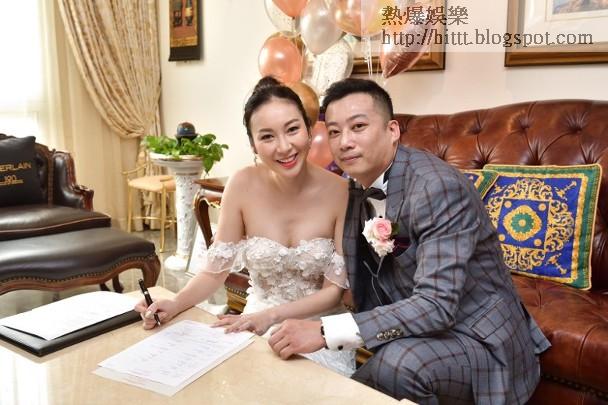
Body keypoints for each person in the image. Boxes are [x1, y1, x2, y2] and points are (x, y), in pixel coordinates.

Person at [267, 78, 551, 404]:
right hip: (422, 330)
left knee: (396, 366)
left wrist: (324, 330)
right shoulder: (356, 183)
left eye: (358, 126)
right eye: (334, 131)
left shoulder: (437, 188)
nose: (344, 142)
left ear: (392, 131)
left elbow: (436, 305)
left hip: (476, 335)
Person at [135, 76, 355, 376]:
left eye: (292, 129)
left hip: (317, 333)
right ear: (253, 144)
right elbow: (214, 273)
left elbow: (333, 293)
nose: (284, 147)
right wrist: (174, 304)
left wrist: (271, 316)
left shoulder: (341, 192)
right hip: (254, 326)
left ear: (309, 129)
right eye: (267, 137)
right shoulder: (241, 185)